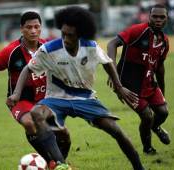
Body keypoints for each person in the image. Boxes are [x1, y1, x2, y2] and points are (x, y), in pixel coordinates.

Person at [8, 6, 144, 170]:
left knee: (116, 130)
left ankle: (139, 167)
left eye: (70, 35)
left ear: (81, 34)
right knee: (37, 113)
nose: (65, 38)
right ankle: (60, 165)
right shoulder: (49, 49)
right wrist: (16, 94)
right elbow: (28, 69)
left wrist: (119, 87)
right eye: (63, 33)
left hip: (85, 98)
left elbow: (107, 63)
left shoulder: (91, 47)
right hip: (56, 98)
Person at [0, 11, 71, 163]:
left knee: (64, 135)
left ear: (41, 28)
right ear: (21, 29)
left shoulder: (48, 47)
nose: (33, 31)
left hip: (46, 101)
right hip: (21, 100)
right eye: (29, 27)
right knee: (29, 122)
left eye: (36, 27)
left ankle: (59, 163)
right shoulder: (11, 51)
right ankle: (54, 163)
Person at [107, 4, 171, 155]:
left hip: (149, 84)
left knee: (163, 112)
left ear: (167, 19)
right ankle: (148, 149)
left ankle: (156, 127)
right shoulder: (137, 31)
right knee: (147, 115)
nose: (158, 20)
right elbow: (112, 44)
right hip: (129, 86)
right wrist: (112, 72)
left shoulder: (164, 41)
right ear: (149, 17)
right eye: (155, 16)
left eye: (162, 17)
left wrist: (162, 92)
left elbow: (160, 68)